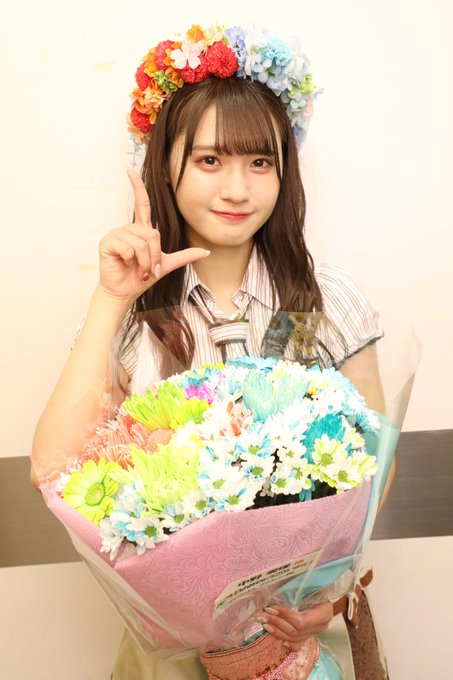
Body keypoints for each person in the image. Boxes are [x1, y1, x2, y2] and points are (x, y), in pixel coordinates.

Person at [31, 25, 393, 679]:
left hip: (302, 634)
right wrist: (111, 298)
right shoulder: (130, 314)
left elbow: (372, 473)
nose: (237, 189)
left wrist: (331, 596)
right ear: (163, 165)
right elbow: (52, 469)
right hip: (172, 654)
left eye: (259, 163)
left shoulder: (327, 299)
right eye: (208, 161)